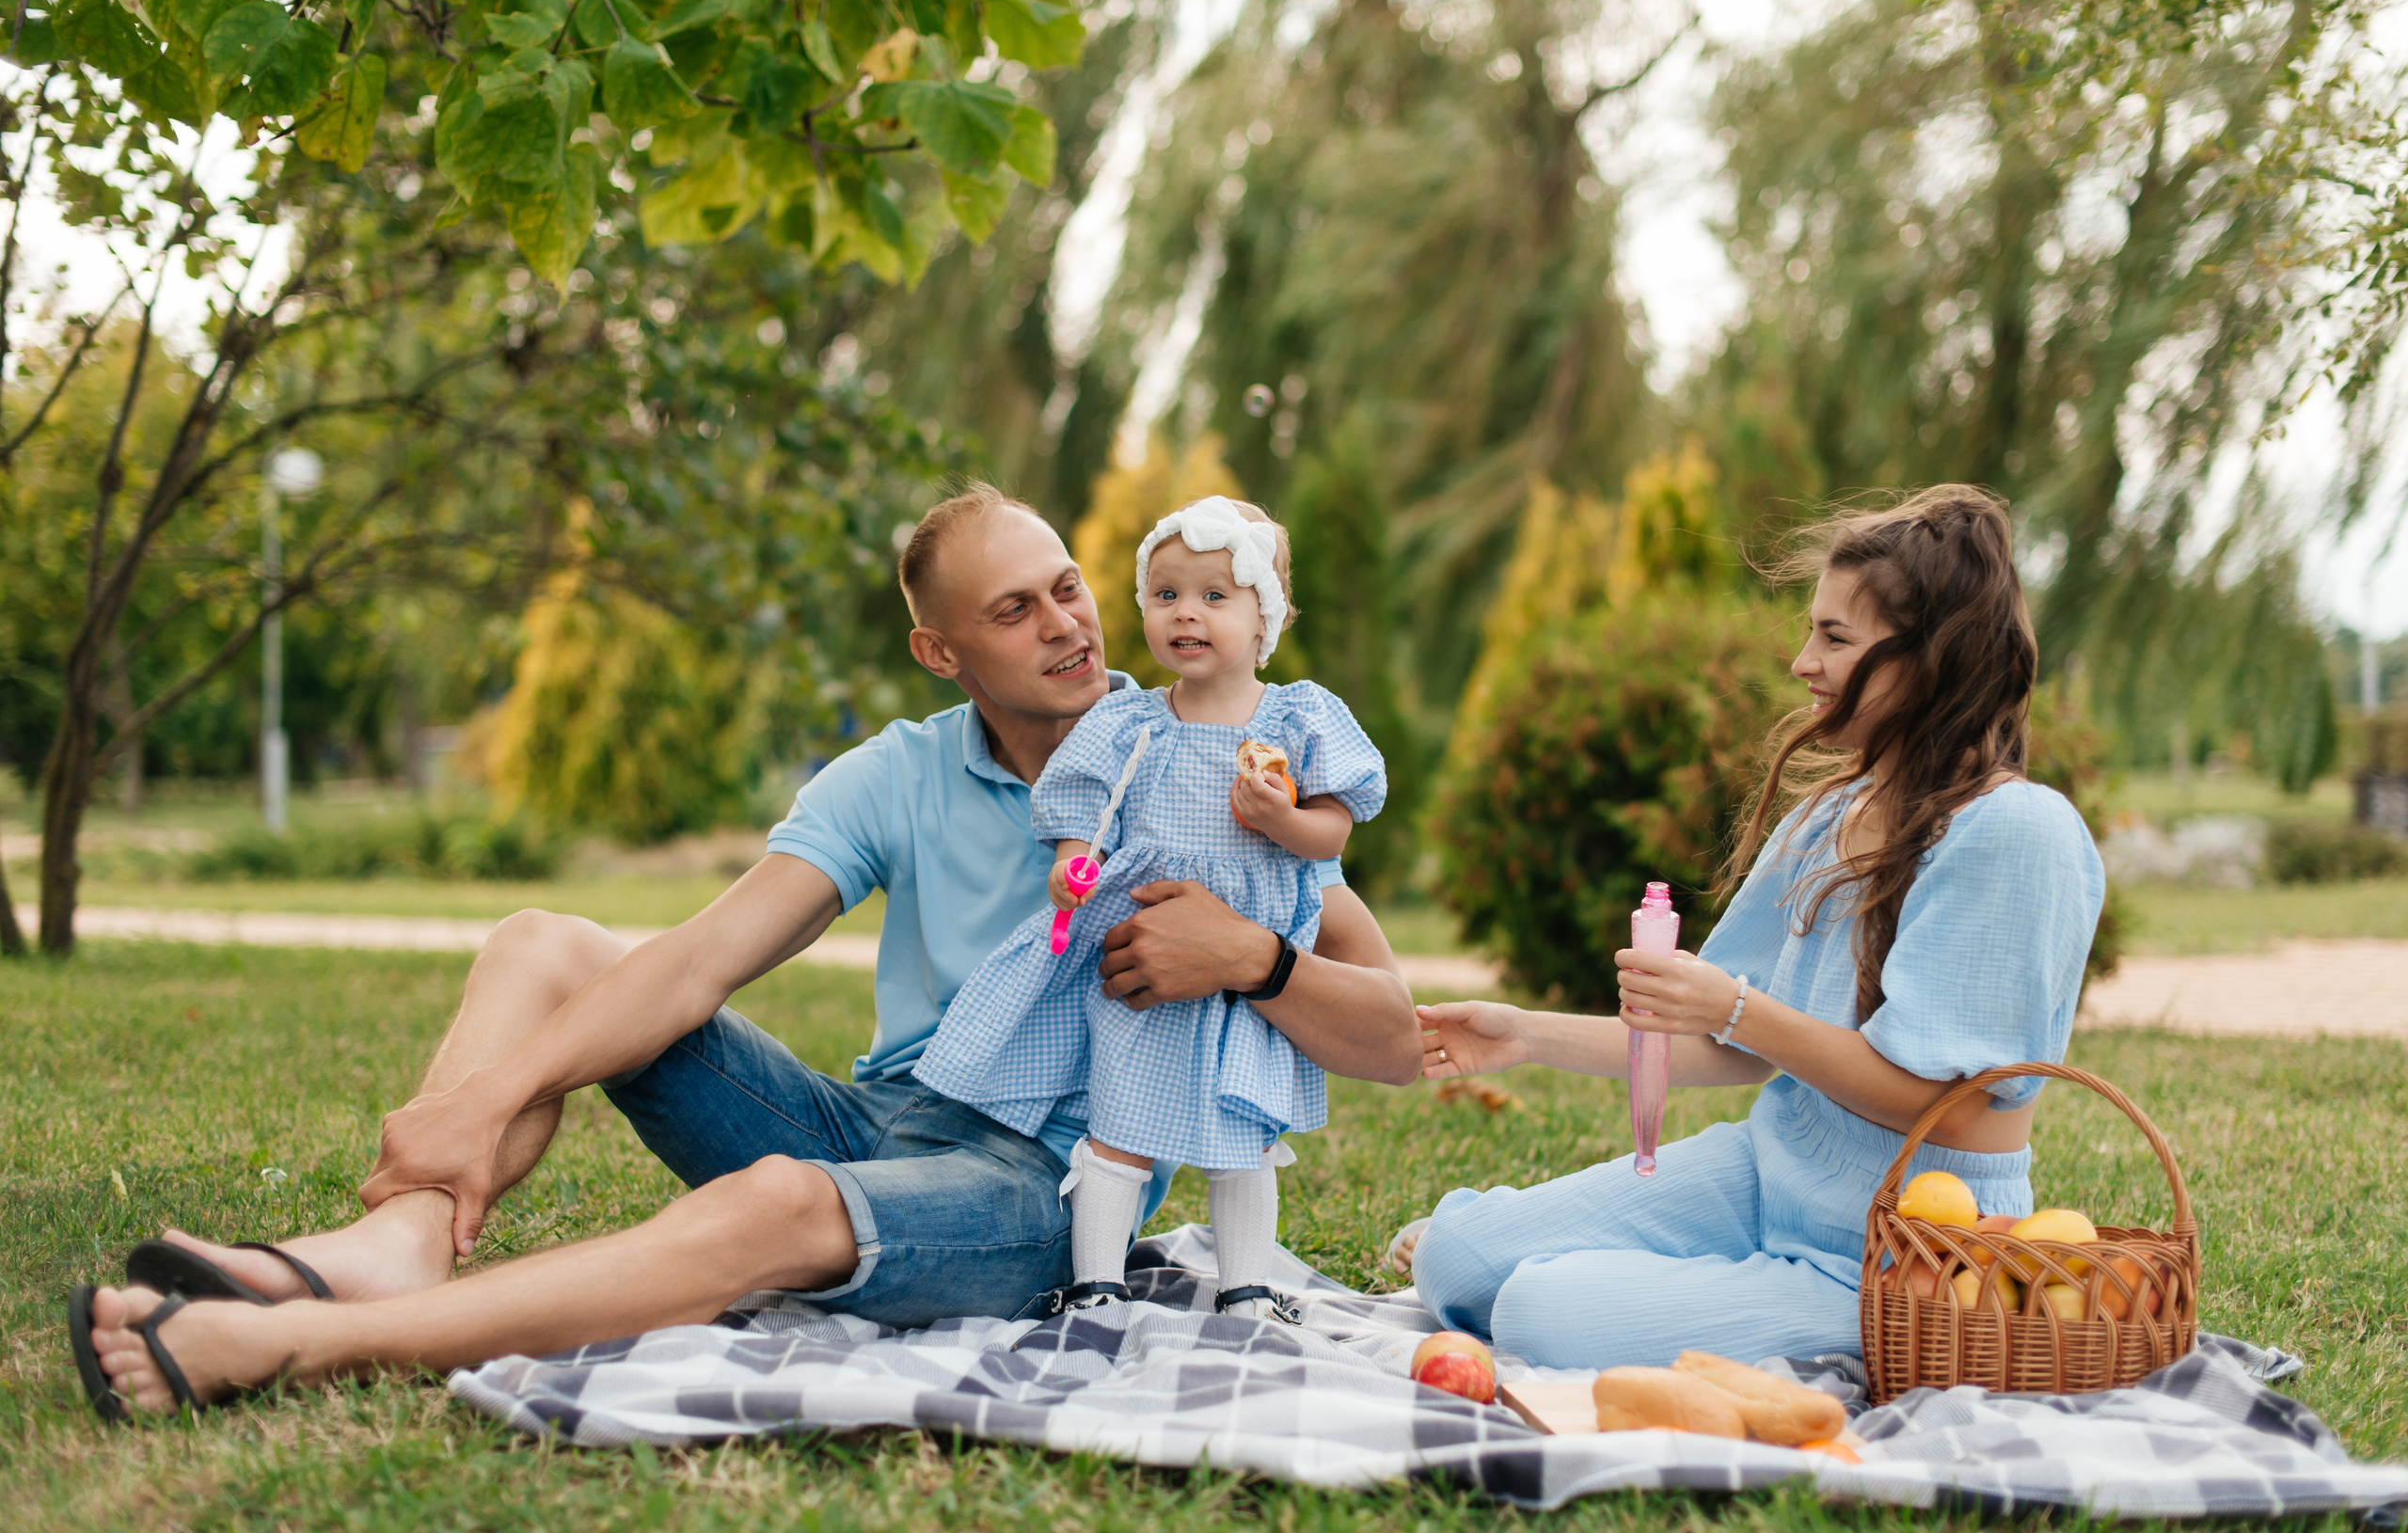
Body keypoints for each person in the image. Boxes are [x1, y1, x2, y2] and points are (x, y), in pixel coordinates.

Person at [70, 485, 1421, 1417]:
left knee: (775, 1201)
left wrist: (1253, 959)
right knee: (550, 941)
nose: (1068, 623)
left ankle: (305, 1338)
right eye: (1015, 610)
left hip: (1036, 1185)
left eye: (1069, 586)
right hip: (874, 1112)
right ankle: (401, 1245)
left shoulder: (1209, 762)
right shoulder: (896, 773)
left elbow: (1393, 1036)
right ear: (940, 650)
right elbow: (699, 959)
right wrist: (474, 1105)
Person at [1400, 486, 2104, 1370]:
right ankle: (1664, 1277)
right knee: (1455, 1259)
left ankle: (1687, 1296)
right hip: (1766, 1174)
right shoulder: (1833, 813)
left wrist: (1733, 1004)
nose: (1804, 662)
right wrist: (1524, 1035)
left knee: (1540, 1311)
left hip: (1900, 1247)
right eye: (1812, 630)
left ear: (1932, 661)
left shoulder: (2015, 833)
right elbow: (1733, 1045)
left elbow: (1950, 1110)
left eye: (1836, 639)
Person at [916, 496, 1386, 1321]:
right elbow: (1080, 814)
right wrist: (1073, 868)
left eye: (1214, 596)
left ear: (1264, 614)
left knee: (1245, 1134)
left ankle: (1248, 1286)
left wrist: (1283, 818)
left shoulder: (1297, 717)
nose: (1186, 615)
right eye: (1166, 595)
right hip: (1141, 953)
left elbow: (1331, 831)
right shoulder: (1131, 721)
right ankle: (1098, 1280)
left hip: (1246, 965)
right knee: (1118, 1119)